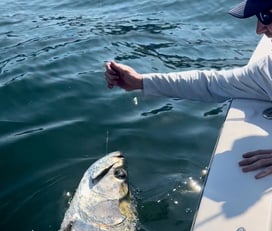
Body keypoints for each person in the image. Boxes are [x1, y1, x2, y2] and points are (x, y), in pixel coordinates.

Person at [105, 0, 272, 179]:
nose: (259, 29)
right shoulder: (267, 70)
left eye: (266, 16)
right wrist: (141, 82)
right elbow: (210, 83)